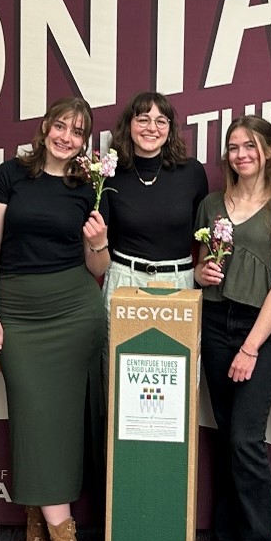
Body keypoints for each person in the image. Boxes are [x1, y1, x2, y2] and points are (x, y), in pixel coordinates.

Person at [0, 96, 108, 541]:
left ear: (84, 141)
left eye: (77, 131)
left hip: (75, 312)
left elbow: (98, 266)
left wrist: (99, 243)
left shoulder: (88, 187)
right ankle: (64, 536)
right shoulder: (10, 175)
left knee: (63, 424)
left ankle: (45, 524)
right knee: (33, 417)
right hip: (17, 312)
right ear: (46, 127)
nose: (66, 137)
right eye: (61, 126)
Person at [195, 115, 271, 541]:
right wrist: (201, 274)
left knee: (245, 438)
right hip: (215, 321)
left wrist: (251, 347)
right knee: (225, 437)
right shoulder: (211, 204)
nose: (241, 154)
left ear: (269, 151)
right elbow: (202, 265)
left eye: (250, 146)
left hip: (261, 329)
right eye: (234, 146)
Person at [102, 91, 208, 392]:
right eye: (143, 119)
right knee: (122, 385)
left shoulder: (192, 172)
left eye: (161, 121)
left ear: (170, 129)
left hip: (178, 283)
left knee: (176, 384)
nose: (152, 127)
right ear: (129, 124)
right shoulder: (110, 173)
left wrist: (202, 268)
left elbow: (203, 233)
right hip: (125, 281)